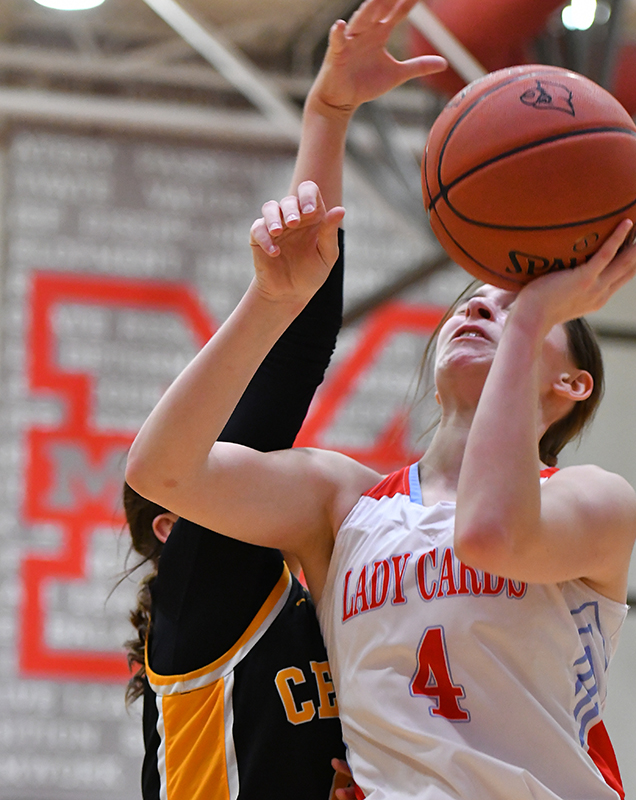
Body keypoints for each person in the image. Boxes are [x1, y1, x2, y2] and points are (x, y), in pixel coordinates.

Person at [121, 2, 446, 798]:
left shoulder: (342, 601)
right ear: (175, 532)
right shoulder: (208, 598)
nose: (262, 474)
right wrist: (326, 117)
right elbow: (292, 362)